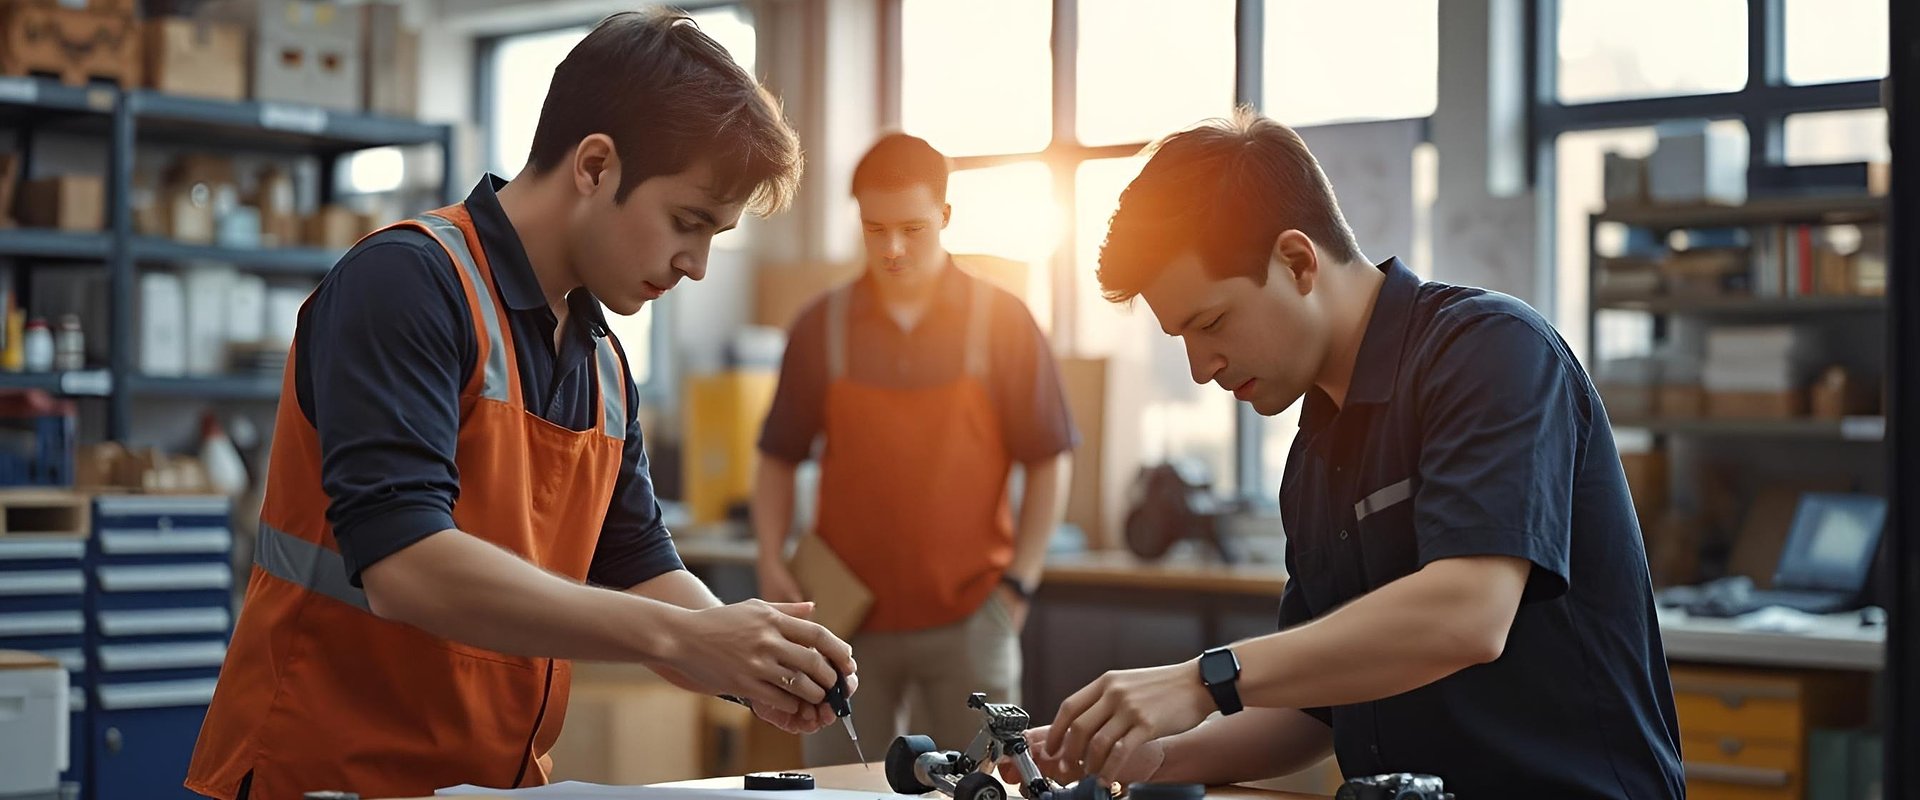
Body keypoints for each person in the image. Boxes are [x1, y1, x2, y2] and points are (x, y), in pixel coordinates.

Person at [187, 12, 856, 799]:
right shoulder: (406, 285)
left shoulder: (601, 363)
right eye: (688, 222)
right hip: (323, 775)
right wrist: (689, 634)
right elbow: (408, 565)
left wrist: (751, 657)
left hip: (489, 783)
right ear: (596, 166)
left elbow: (641, 568)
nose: (698, 266)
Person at [1014, 110, 1683, 799]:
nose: (1200, 367)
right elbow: (1313, 713)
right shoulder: (1315, 451)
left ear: (1299, 261)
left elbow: (1467, 614)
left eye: (1211, 323)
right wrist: (1141, 755)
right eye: (1180, 336)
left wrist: (1200, 680)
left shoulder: (1491, 351)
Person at [751, 133, 1077, 767]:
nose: (893, 249)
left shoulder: (1004, 323)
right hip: (843, 625)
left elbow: (1048, 457)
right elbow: (777, 455)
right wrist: (769, 559)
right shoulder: (821, 327)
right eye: (876, 229)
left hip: (970, 613)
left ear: (946, 217)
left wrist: (1020, 585)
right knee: (843, 784)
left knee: (982, 783)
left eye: (913, 228)